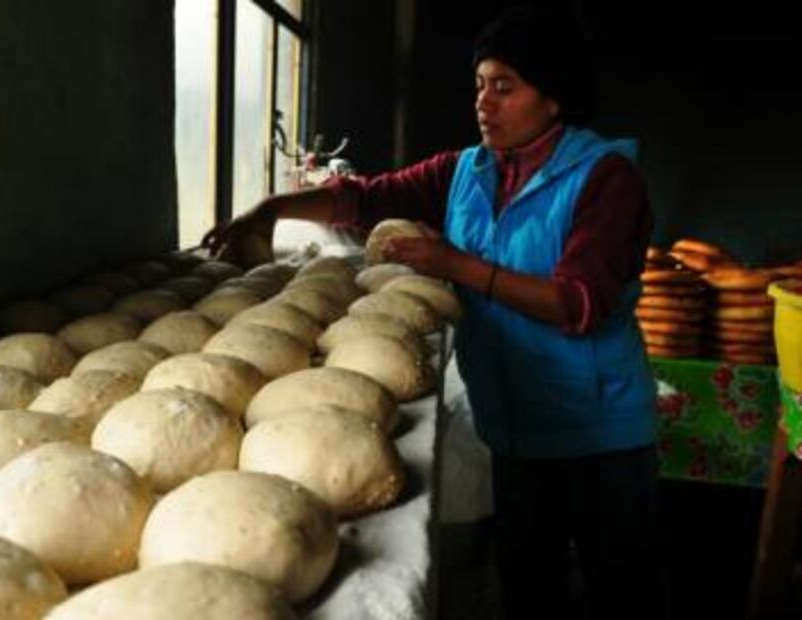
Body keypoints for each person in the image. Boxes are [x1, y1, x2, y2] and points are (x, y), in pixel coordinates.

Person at [204, 6, 662, 619]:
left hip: (596, 428)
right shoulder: (467, 169)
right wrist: (271, 208)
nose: (484, 102)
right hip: (514, 421)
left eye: (505, 87)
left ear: (554, 99)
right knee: (529, 584)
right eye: (479, 85)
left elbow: (576, 303)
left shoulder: (606, 179)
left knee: (619, 587)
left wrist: (454, 264)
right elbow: (365, 198)